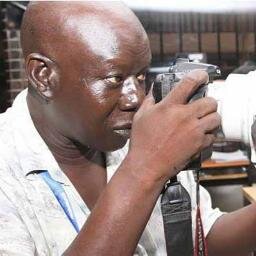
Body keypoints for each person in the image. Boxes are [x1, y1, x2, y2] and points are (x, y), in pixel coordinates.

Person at [0, 2, 254, 256]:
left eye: (141, 76)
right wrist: (145, 168)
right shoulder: (6, 171)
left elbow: (200, 239)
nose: (135, 98)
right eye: (115, 79)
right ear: (43, 76)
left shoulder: (135, 134)